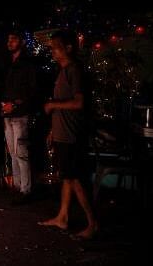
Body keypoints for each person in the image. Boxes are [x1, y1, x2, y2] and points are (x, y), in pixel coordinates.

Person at [38, 30, 98, 239]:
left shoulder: (74, 70)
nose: (52, 50)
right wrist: (53, 130)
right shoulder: (62, 71)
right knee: (67, 177)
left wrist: (52, 104)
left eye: (56, 46)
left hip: (72, 135)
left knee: (75, 178)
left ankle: (93, 223)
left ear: (68, 48)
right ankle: (62, 217)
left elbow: (79, 102)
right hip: (63, 134)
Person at [2, 31, 37, 204]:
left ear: (21, 42)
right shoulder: (9, 64)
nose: (10, 42)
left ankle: (26, 190)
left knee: (21, 152)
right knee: (13, 152)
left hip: (20, 114)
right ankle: (17, 186)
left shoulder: (27, 64)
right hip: (7, 113)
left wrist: (15, 104)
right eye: (9, 39)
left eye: (13, 39)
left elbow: (32, 90)